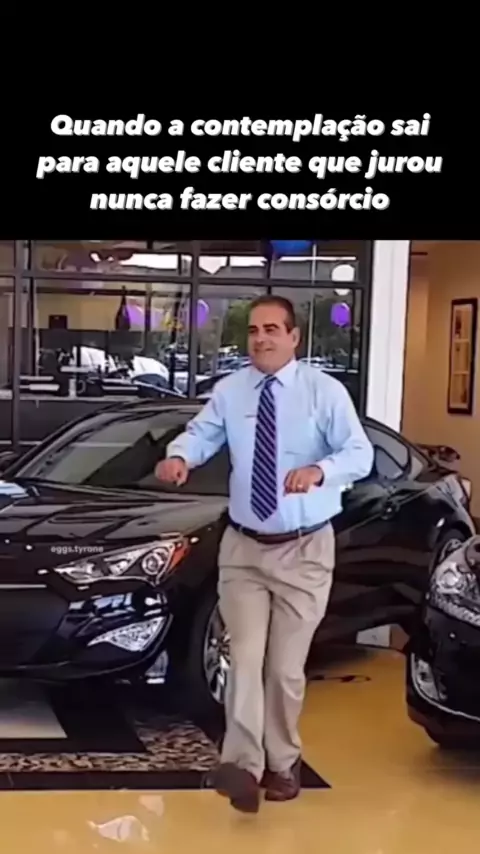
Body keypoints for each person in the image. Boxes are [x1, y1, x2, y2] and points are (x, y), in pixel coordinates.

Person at [155, 295, 374, 813]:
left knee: (284, 670)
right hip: (244, 549)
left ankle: (283, 762)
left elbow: (359, 453)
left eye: (272, 329)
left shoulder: (324, 392)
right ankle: (243, 767)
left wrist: (320, 471)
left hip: (304, 550)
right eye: (254, 330)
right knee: (243, 660)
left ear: (294, 337)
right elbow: (201, 434)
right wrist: (180, 457)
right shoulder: (232, 391)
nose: (261, 339)